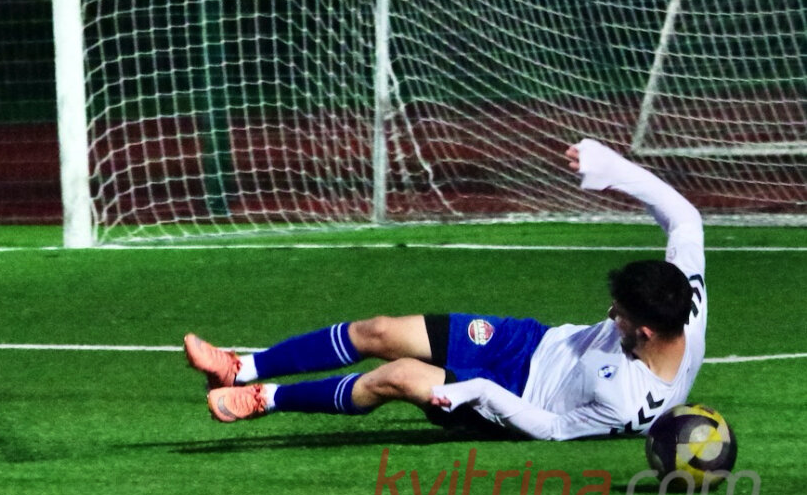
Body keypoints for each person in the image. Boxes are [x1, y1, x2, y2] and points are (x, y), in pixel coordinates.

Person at [184, 138, 707, 441]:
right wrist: (612, 168)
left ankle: (265, 399)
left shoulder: (628, 405)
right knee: (379, 331)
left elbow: (549, 428)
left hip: (512, 401)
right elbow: (685, 219)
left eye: (619, 314)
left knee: (395, 377)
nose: (609, 314)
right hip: (530, 343)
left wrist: (477, 391)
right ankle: (241, 367)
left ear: (645, 331)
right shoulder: (685, 299)